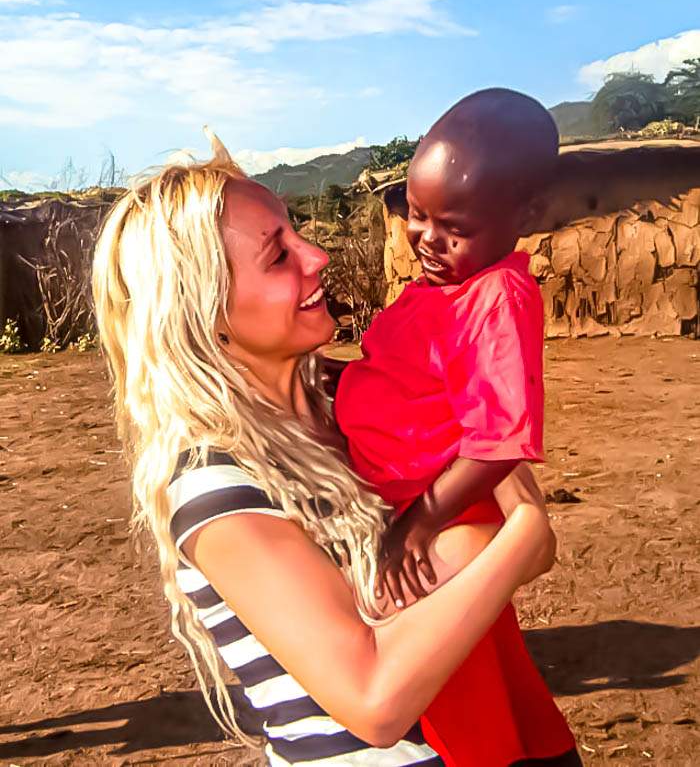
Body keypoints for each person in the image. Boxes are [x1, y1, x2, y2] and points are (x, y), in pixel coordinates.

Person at [92, 134, 561, 766]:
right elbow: (374, 699)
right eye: (278, 255)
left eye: (297, 232)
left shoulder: (356, 396)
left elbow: (494, 465)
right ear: (204, 311)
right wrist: (520, 530)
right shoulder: (214, 481)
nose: (317, 256)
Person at [335, 88, 580, 765]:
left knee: (456, 696)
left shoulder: (494, 297)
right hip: (410, 508)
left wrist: (419, 521)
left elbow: (501, 440)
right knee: (485, 678)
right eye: (416, 215)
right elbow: (399, 381)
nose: (426, 239)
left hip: (437, 521)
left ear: (525, 213)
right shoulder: (442, 289)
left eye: (455, 226)